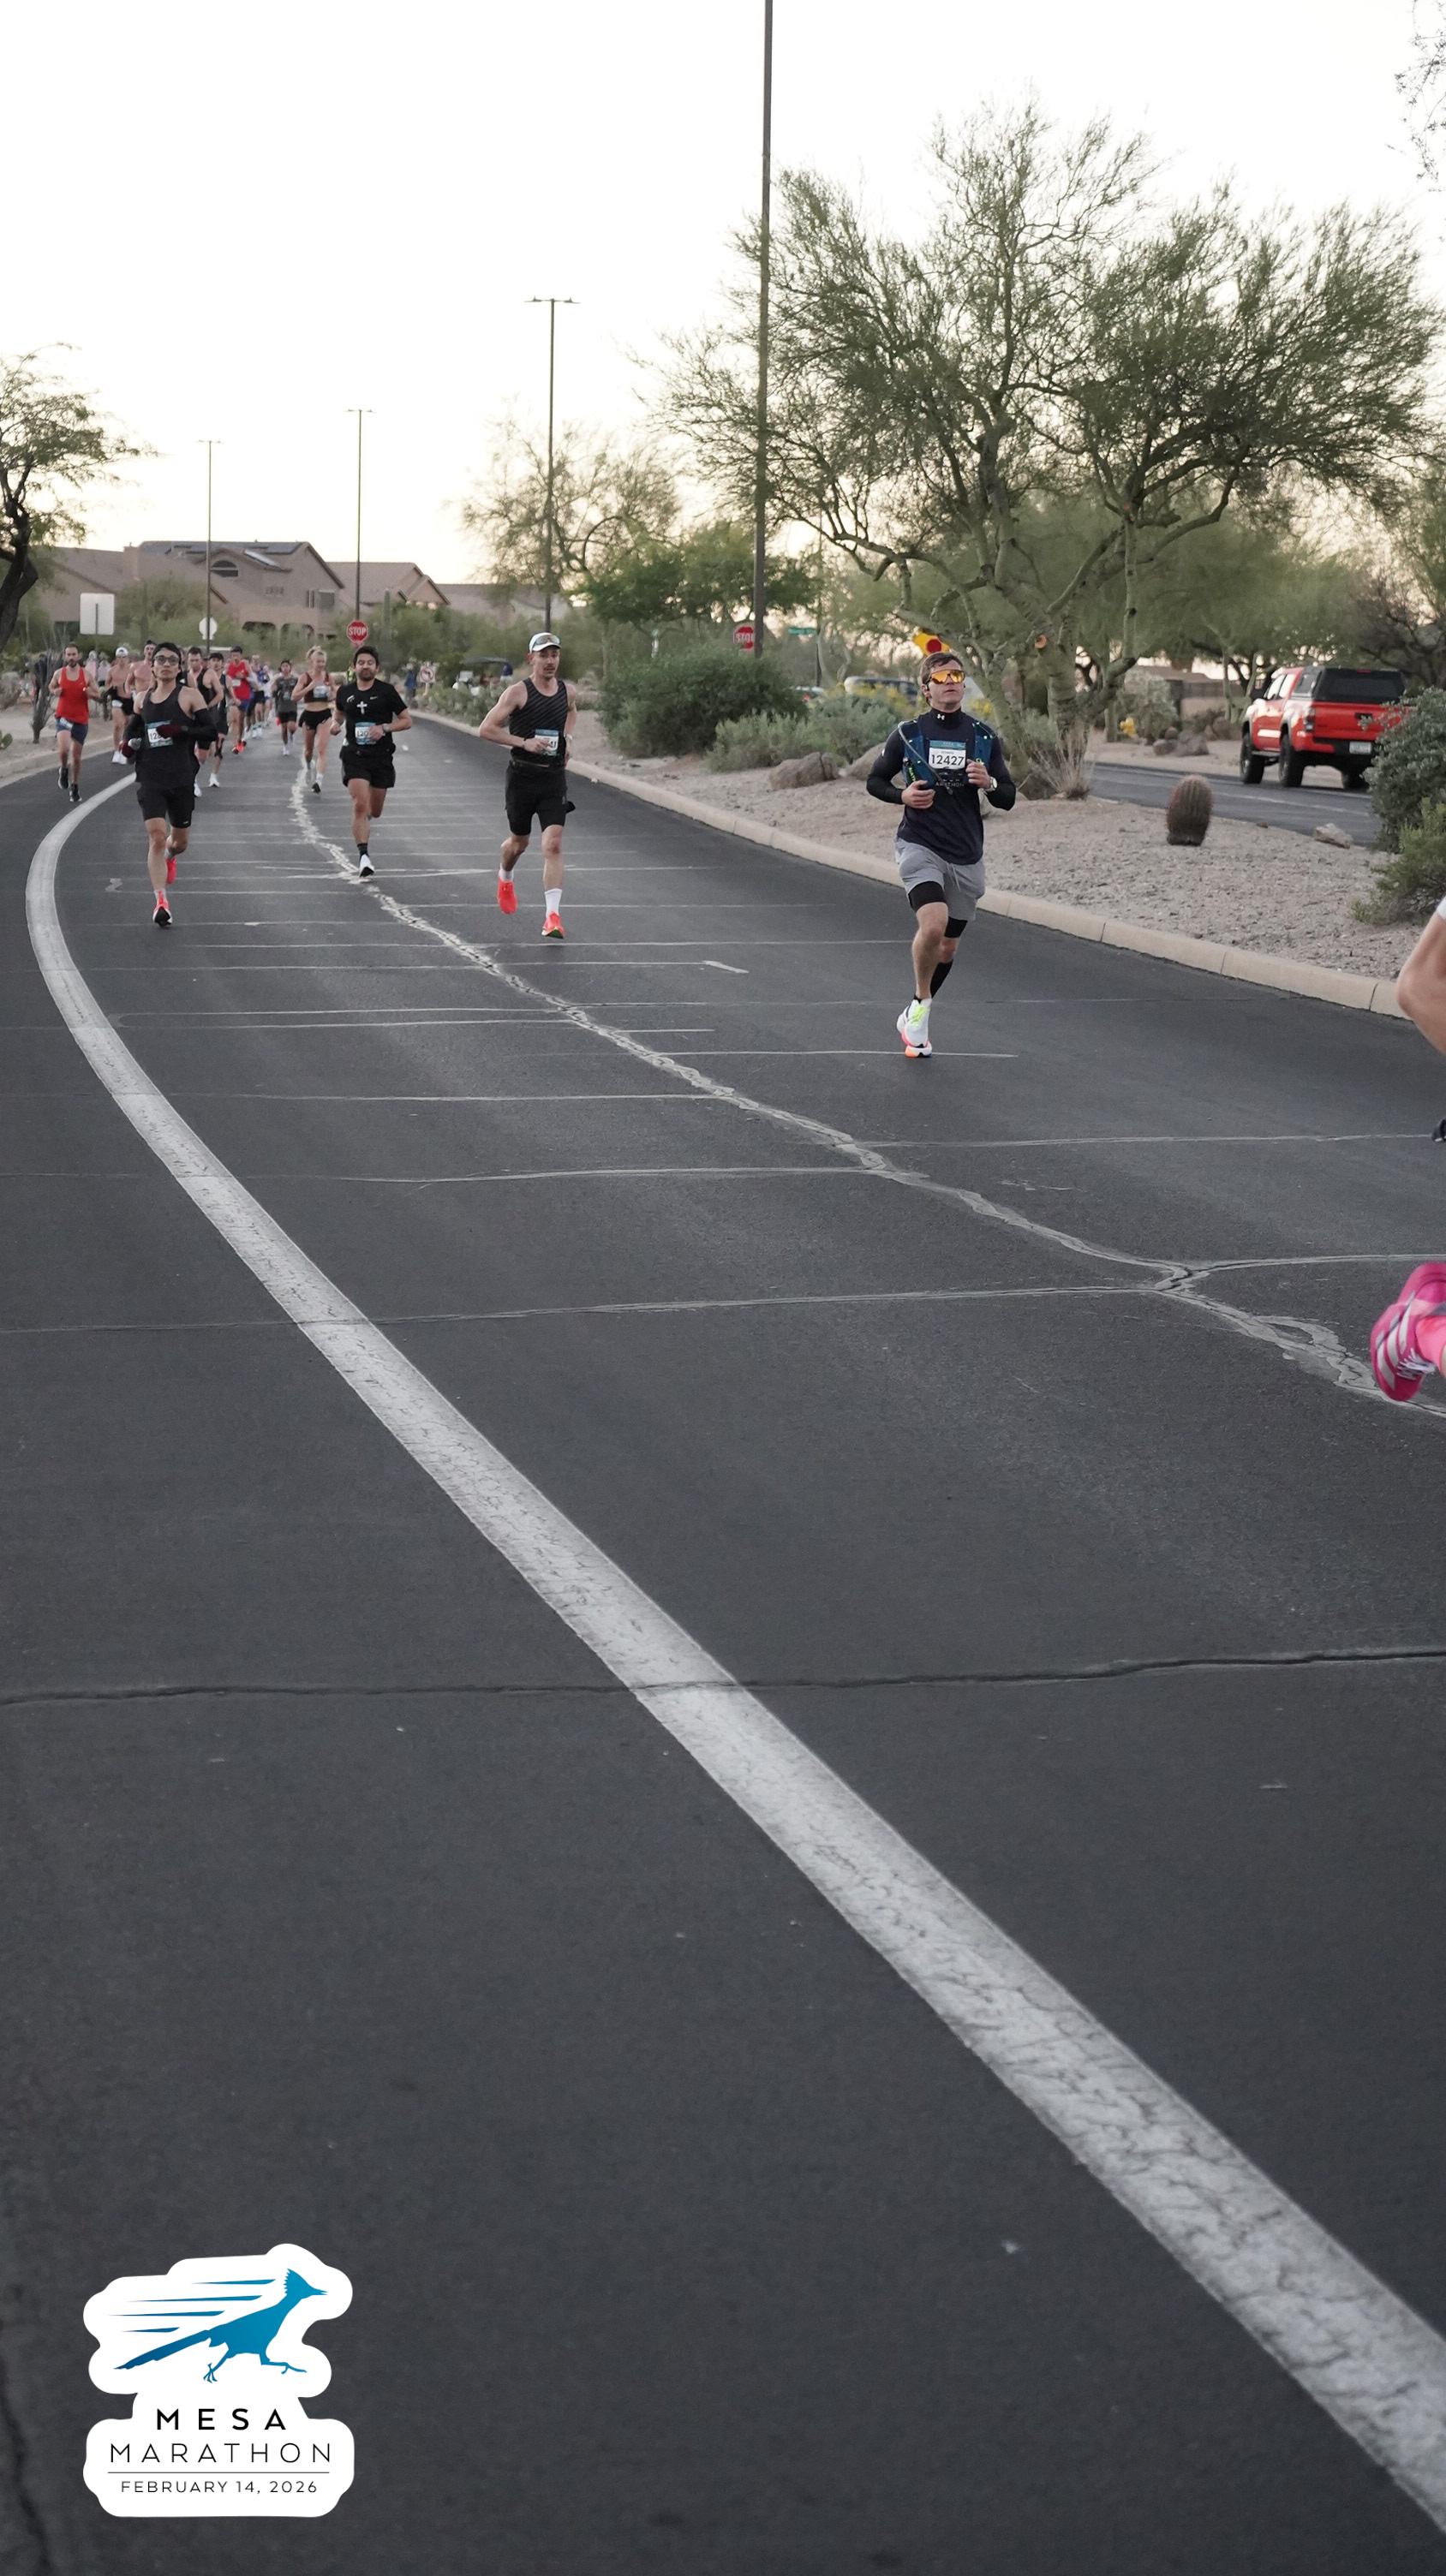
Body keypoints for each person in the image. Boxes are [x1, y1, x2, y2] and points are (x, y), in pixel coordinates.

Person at [865, 649, 1016, 1058]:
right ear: (926, 689)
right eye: (941, 677)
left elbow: (1008, 797)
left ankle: (914, 1009)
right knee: (933, 925)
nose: (951, 682)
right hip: (919, 843)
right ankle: (922, 1004)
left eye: (957, 676)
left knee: (948, 947)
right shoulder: (908, 734)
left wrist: (988, 783)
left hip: (966, 851)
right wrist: (902, 796)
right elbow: (875, 781)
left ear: (963, 686)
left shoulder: (983, 737)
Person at [478, 630, 576, 938]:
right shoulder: (517, 693)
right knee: (519, 843)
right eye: (543, 655)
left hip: (553, 777)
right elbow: (486, 729)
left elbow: (571, 712)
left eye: (554, 655)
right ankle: (505, 876)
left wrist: (567, 738)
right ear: (530, 658)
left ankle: (552, 918)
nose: (550, 661)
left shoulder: (568, 692)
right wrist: (523, 742)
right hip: (522, 777)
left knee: (553, 844)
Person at [122, 641, 209, 926]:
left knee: (179, 842)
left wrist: (181, 729)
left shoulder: (190, 696)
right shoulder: (142, 699)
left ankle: (171, 855)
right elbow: (132, 730)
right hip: (151, 776)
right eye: (161, 660)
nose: (166, 664)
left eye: (172, 660)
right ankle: (161, 902)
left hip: (181, 776)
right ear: (153, 665)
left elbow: (209, 730)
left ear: (179, 667)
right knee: (157, 836)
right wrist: (129, 744)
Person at [332, 645, 411, 878]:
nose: (365, 666)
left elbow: (407, 720)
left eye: (369, 663)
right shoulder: (345, 691)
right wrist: (336, 725)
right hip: (354, 755)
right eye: (361, 663)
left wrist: (384, 728)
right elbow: (339, 713)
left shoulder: (386, 691)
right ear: (354, 666)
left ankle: (365, 820)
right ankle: (364, 857)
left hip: (381, 757)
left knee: (374, 811)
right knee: (359, 803)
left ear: (376, 667)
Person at [50, 644, 95, 803]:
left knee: (76, 757)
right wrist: (55, 691)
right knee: (64, 749)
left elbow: (97, 693)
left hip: (81, 719)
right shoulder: (59, 673)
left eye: (73, 654)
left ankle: (75, 786)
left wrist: (90, 693)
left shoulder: (86, 675)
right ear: (65, 656)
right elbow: (51, 686)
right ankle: (63, 769)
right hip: (64, 717)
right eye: (68, 654)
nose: (71, 657)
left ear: (79, 656)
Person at [296, 647, 334, 791]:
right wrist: (309, 688)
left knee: (322, 749)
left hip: (324, 714)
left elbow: (336, 692)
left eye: (323, 662)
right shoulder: (305, 677)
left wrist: (332, 695)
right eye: (318, 661)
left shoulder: (328, 677)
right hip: (309, 714)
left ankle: (319, 781)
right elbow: (295, 696)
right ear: (312, 662)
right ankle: (308, 765)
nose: (321, 664)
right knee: (309, 751)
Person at [108, 647, 134, 763]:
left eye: (124, 657)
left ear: (127, 658)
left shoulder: (132, 670)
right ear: (116, 658)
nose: (122, 660)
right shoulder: (112, 671)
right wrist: (112, 688)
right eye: (119, 657)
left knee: (128, 725)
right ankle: (116, 751)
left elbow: (138, 682)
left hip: (129, 699)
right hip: (117, 698)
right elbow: (106, 684)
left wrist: (133, 688)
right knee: (118, 724)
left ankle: (124, 749)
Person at [225, 645, 252, 752]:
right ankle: (235, 744)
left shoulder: (245, 664)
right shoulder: (228, 666)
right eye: (233, 655)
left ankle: (240, 738)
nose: (235, 658)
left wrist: (244, 677)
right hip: (233, 697)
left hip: (244, 696)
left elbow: (253, 679)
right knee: (234, 719)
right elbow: (225, 680)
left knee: (241, 720)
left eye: (237, 655)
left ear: (241, 655)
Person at [272, 657, 300, 751]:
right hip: (282, 707)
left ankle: (292, 734)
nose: (285, 668)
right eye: (283, 666)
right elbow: (274, 694)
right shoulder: (278, 680)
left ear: (290, 667)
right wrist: (275, 690)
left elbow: (300, 690)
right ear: (281, 668)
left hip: (292, 707)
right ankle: (285, 745)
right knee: (284, 728)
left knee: (291, 726)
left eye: (287, 666)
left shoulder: (295, 679)